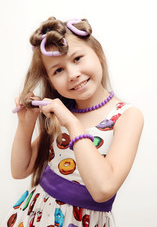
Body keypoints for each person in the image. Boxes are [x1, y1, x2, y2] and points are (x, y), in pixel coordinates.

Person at [1, 17, 144, 227]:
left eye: (77, 58)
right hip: (37, 215)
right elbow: (19, 170)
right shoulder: (63, 112)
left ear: (99, 54)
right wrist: (26, 123)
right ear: (51, 82)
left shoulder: (127, 116)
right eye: (58, 70)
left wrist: (72, 123)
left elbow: (103, 189)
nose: (73, 74)